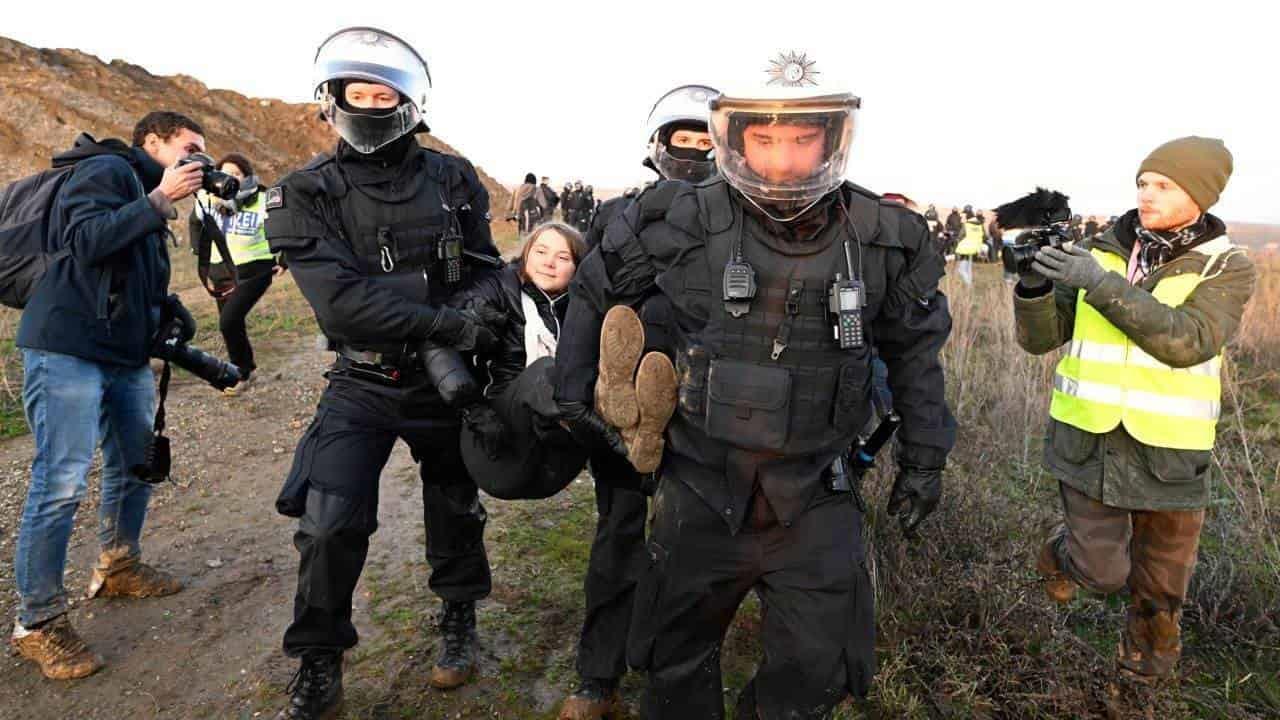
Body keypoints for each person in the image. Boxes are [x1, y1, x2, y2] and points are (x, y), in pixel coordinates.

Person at [554, 54, 955, 718]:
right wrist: (575, 397)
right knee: (675, 661)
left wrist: (926, 457)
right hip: (700, 483)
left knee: (819, 669)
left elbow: (915, 353)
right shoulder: (679, 219)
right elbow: (597, 285)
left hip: (816, 491)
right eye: (765, 140)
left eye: (803, 140)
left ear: (833, 139)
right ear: (736, 141)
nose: (784, 160)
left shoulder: (886, 237)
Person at [264, 27, 507, 720]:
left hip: (448, 380)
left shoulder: (453, 178)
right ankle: (318, 660)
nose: (370, 104)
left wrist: (480, 320)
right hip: (362, 382)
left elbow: (485, 268)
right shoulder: (303, 192)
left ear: (410, 100)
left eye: (384, 93)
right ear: (333, 97)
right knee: (328, 523)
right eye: (357, 92)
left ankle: (458, 617)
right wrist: (444, 323)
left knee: (457, 506)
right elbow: (341, 303)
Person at [1017, 137, 1254, 682]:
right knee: (1101, 573)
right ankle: (1062, 552)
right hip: (1088, 441)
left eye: (1164, 185)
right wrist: (1031, 286)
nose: (1147, 194)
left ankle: (1140, 687)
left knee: (1160, 593)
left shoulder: (1226, 266)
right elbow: (1040, 339)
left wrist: (1099, 286)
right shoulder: (1098, 249)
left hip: (1171, 453)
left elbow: (1188, 341)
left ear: (1201, 194)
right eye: (1143, 182)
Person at [11, 111, 208, 680]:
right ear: (153, 142)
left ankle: (118, 566)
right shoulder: (105, 170)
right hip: (66, 344)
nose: (199, 161)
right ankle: (38, 622)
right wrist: (157, 199)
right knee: (63, 478)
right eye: (189, 148)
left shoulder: (148, 199)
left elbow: (127, 279)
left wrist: (168, 310)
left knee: (134, 464)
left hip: (121, 352)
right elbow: (86, 241)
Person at [557, 83, 719, 720]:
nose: (697, 151)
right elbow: (589, 300)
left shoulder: (755, 217)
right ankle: (598, 674)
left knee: (697, 547)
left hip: (712, 405)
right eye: (686, 139)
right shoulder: (620, 215)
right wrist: (574, 391)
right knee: (620, 532)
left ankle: (675, 679)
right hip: (628, 406)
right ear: (658, 147)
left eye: (710, 141)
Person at [188, 152, 284, 394]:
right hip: (219, 270)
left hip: (255, 268)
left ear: (247, 177)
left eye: (236, 174)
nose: (230, 178)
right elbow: (195, 222)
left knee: (228, 321)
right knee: (232, 323)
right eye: (225, 172)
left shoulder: (263, 198)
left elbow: (286, 228)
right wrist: (198, 250)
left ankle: (242, 373)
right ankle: (243, 368)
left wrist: (286, 260)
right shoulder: (207, 197)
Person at [953, 207, 985, 285]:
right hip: (976, 248)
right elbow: (985, 236)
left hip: (966, 248)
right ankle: (969, 285)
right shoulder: (980, 225)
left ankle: (969, 284)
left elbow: (960, 236)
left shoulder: (966, 225)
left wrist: (957, 240)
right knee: (969, 268)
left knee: (961, 270)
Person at [510, 172, 541, 236]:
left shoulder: (519, 188)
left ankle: (522, 242)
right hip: (531, 215)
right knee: (531, 234)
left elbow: (511, 203)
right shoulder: (534, 188)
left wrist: (514, 212)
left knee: (521, 230)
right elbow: (541, 202)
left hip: (520, 214)